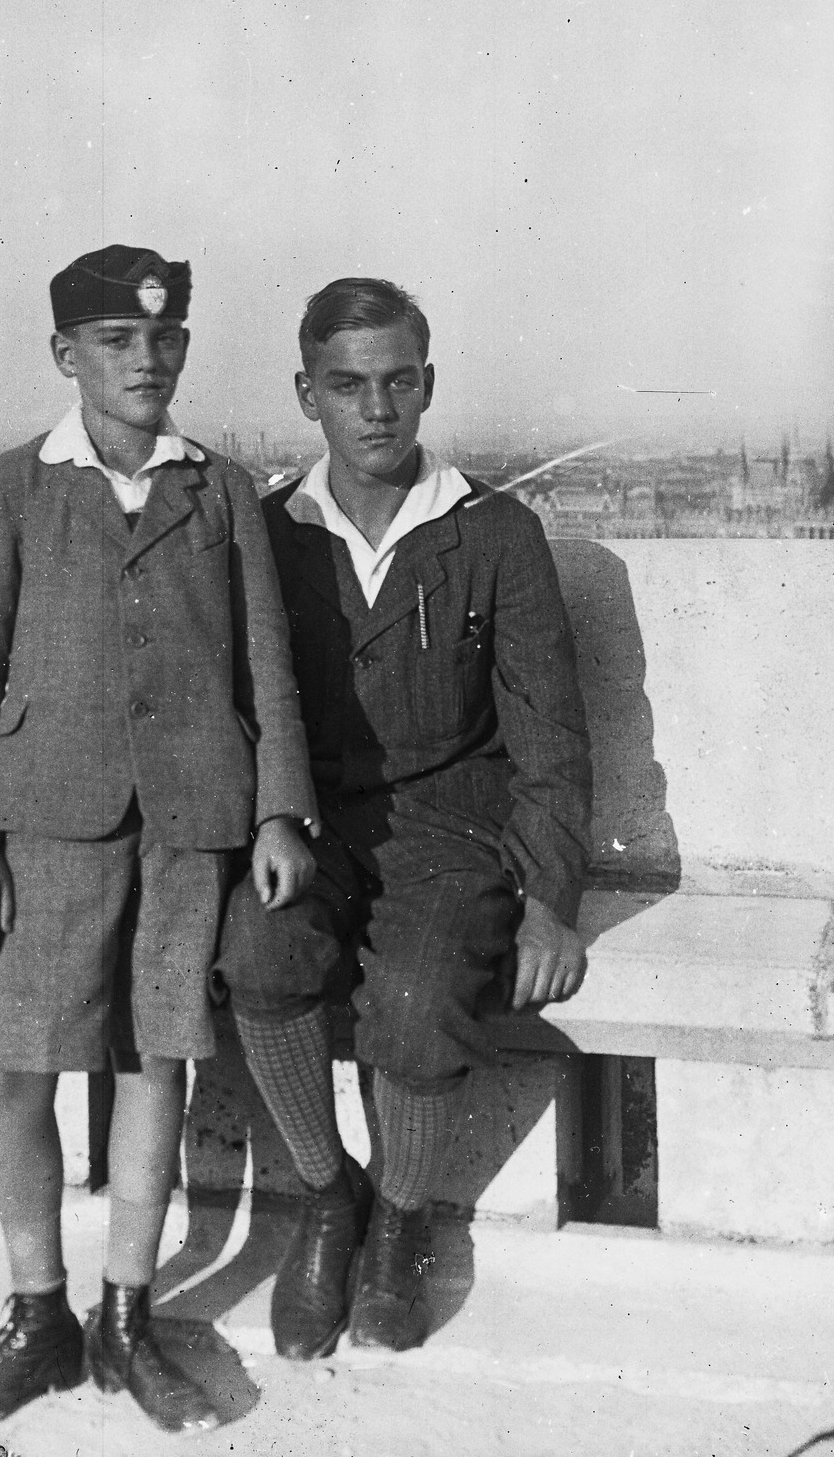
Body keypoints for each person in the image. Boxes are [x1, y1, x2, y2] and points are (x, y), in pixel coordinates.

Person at [0, 245, 318, 1433]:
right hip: (49, 822)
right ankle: (36, 1313)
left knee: (157, 1058)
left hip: (188, 825)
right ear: (65, 356)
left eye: (162, 340)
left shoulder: (224, 491)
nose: (143, 360)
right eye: (114, 342)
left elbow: (268, 668)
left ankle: (127, 1315)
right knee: (14, 1065)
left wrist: (278, 810)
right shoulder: (13, 489)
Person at [217, 277, 593, 1358]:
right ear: (307, 394)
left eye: (397, 383)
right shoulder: (271, 533)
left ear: (426, 385)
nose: (376, 409)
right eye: (347, 386)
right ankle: (326, 1196)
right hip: (314, 824)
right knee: (258, 945)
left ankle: (400, 1219)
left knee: (422, 1002)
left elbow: (550, 739)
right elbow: (237, 708)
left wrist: (550, 903)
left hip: (452, 830)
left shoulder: (492, 532)